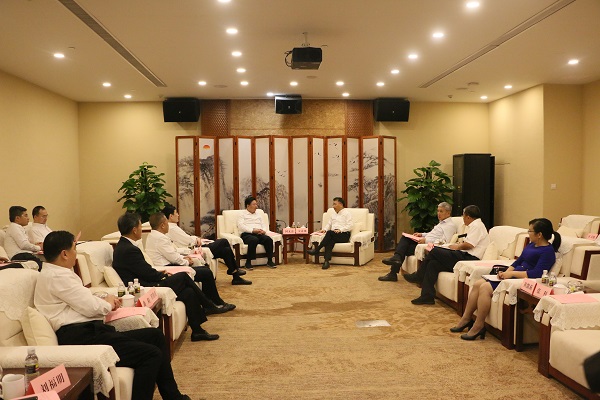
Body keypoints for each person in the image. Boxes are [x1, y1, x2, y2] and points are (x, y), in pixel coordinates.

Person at [34, 231, 190, 400]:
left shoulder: (58, 272)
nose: (76, 253)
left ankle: (173, 396)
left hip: (90, 330)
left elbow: (83, 299)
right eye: (74, 248)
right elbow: (92, 307)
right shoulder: (57, 277)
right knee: (151, 354)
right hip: (81, 336)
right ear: (64, 254)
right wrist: (107, 303)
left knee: (155, 335)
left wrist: (105, 300)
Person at [112, 212, 222, 341]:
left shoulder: (125, 246)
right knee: (183, 276)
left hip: (147, 280)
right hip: (145, 286)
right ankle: (208, 304)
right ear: (134, 229)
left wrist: (162, 273)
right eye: (140, 226)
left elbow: (143, 270)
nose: (142, 229)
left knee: (188, 292)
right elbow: (147, 272)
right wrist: (162, 275)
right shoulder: (128, 249)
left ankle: (197, 331)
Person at [450, 218, 561, 340]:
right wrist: (506, 272)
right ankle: (466, 319)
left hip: (522, 279)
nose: (528, 233)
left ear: (539, 234)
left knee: (485, 287)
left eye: (530, 231)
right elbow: (518, 261)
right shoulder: (531, 245)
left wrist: (512, 274)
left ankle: (479, 325)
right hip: (513, 275)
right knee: (477, 284)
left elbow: (537, 273)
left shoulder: (547, 252)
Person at [145, 212, 240, 308]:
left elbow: (171, 253)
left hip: (168, 265)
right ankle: (215, 303)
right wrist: (186, 261)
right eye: (167, 223)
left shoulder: (153, 236)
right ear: (162, 225)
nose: (168, 226)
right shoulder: (161, 238)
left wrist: (183, 257)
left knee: (206, 269)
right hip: (168, 268)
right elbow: (173, 257)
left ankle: (213, 301)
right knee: (206, 272)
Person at [406, 205, 490, 305]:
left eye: (463, 216)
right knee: (433, 264)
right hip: (464, 255)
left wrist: (456, 247)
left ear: (468, 217)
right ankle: (427, 296)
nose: (462, 218)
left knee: (434, 251)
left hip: (469, 258)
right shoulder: (475, 225)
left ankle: (419, 276)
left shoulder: (477, 226)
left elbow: (469, 245)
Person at [162, 204, 252, 285]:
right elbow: (187, 240)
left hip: (194, 245)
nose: (178, 215)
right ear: (171, 216)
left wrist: (196, 238)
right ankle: (235, 270)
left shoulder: (172, 227)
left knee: (226, 250)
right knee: (223, 241)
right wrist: (197, 239)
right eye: (176, 213)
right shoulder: (172, 228)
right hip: (194, 248)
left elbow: (186, 238)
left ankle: (235, 276)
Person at [379, 202, 457, 282]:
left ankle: (393, 270)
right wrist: (421, 234)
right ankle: (396, 261)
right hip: (424, 242)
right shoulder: (442, 223)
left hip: (428, 247)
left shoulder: (449, 225)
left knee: (403, 245)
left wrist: (426, 240)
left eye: (441, 211)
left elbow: (445, 242)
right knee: (405, 241)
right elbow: (432, 234)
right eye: (438, 211)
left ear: (448, 213)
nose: (438, 213)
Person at [307, 197, 353, 270]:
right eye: (333, 204)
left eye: (335, 204)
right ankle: (326, 261)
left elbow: (350, 226)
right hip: (334, 234)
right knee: (330, 241)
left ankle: (317, 249)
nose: (333, 206)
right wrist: (324, 229)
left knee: (329, 233)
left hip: (344, 235)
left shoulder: (347, 213)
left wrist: (340, 230)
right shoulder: (333, 214)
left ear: (341, 204)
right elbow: (329, 224)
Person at [237, 196, 276, 269]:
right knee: (253, 240)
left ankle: (270, 261)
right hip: (247, 234)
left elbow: (263, 225)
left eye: (256, 204)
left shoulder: (258, 214)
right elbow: (241, 226)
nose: (256, 206)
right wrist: (252, 230)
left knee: (268, 239)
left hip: (258, 233)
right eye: (254, 204)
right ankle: (248, 262)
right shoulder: (242, 215)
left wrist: (263, 230)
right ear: (248, 205)